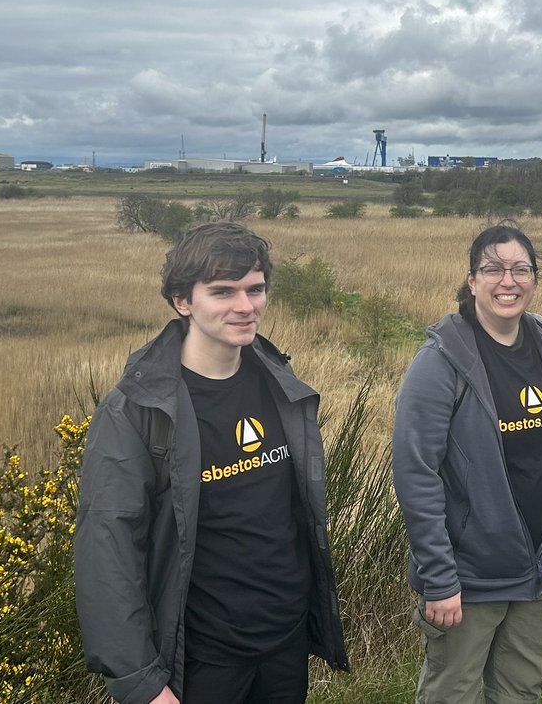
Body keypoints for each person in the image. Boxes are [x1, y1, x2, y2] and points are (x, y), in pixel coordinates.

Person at [74, 222, 349, 704]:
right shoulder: (138, 410)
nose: (245, 306)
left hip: (284, 645)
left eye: (255, 289)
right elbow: (107, 549)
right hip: (200, 659)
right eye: (223, 291)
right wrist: (141, 680)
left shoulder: (280, 386)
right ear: (183, 302)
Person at [392, 223, 542, 704]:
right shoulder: (441, 363)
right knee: (452, 695)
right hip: (469, 578)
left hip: (540, 570)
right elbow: (416, 475)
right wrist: (439, 577)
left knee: (521, 691)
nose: (508, 281)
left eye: (521, 269)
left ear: (534, 279)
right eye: (493, 269)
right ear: (472, 280)